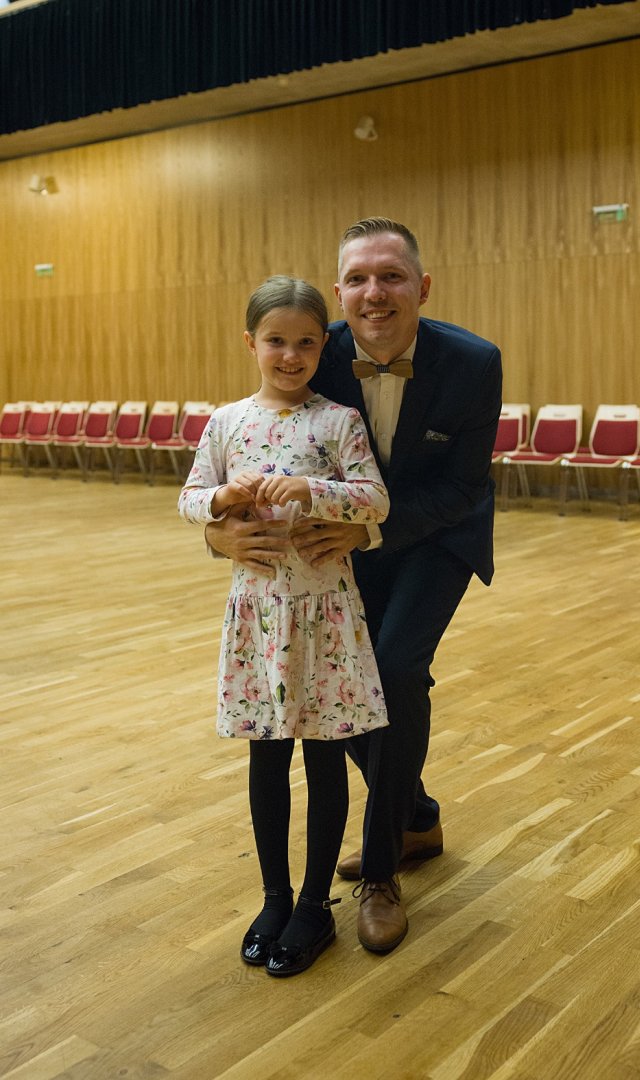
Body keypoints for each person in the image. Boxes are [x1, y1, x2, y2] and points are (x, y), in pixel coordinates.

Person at [206, 218, 502, 954]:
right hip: (335, 546)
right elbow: (243, 459)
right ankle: (415, 815)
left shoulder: (473, 362)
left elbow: (464, 486)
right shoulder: (313, 348)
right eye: (359, 279)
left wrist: (369, 533)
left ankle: (381, 873)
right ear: (339, 294)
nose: (376, 293)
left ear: (421, 287)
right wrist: (218, 536)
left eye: (392, 276)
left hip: (434, 536)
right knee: (335, 684)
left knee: (394, 670)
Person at [179, 275, 390, 977]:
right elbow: (188, 498)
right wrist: (221, 501)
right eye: (276, 341)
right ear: (251, 343)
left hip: (326, 615)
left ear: (322, 347)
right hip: (259, 617)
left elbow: (375, 500)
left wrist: (312, 489)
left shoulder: (339, 422)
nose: (291, 356)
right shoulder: (226, 422)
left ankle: (313, 903)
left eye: (305, 343)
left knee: (325, 759)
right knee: (266, 758)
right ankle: (274, 897)